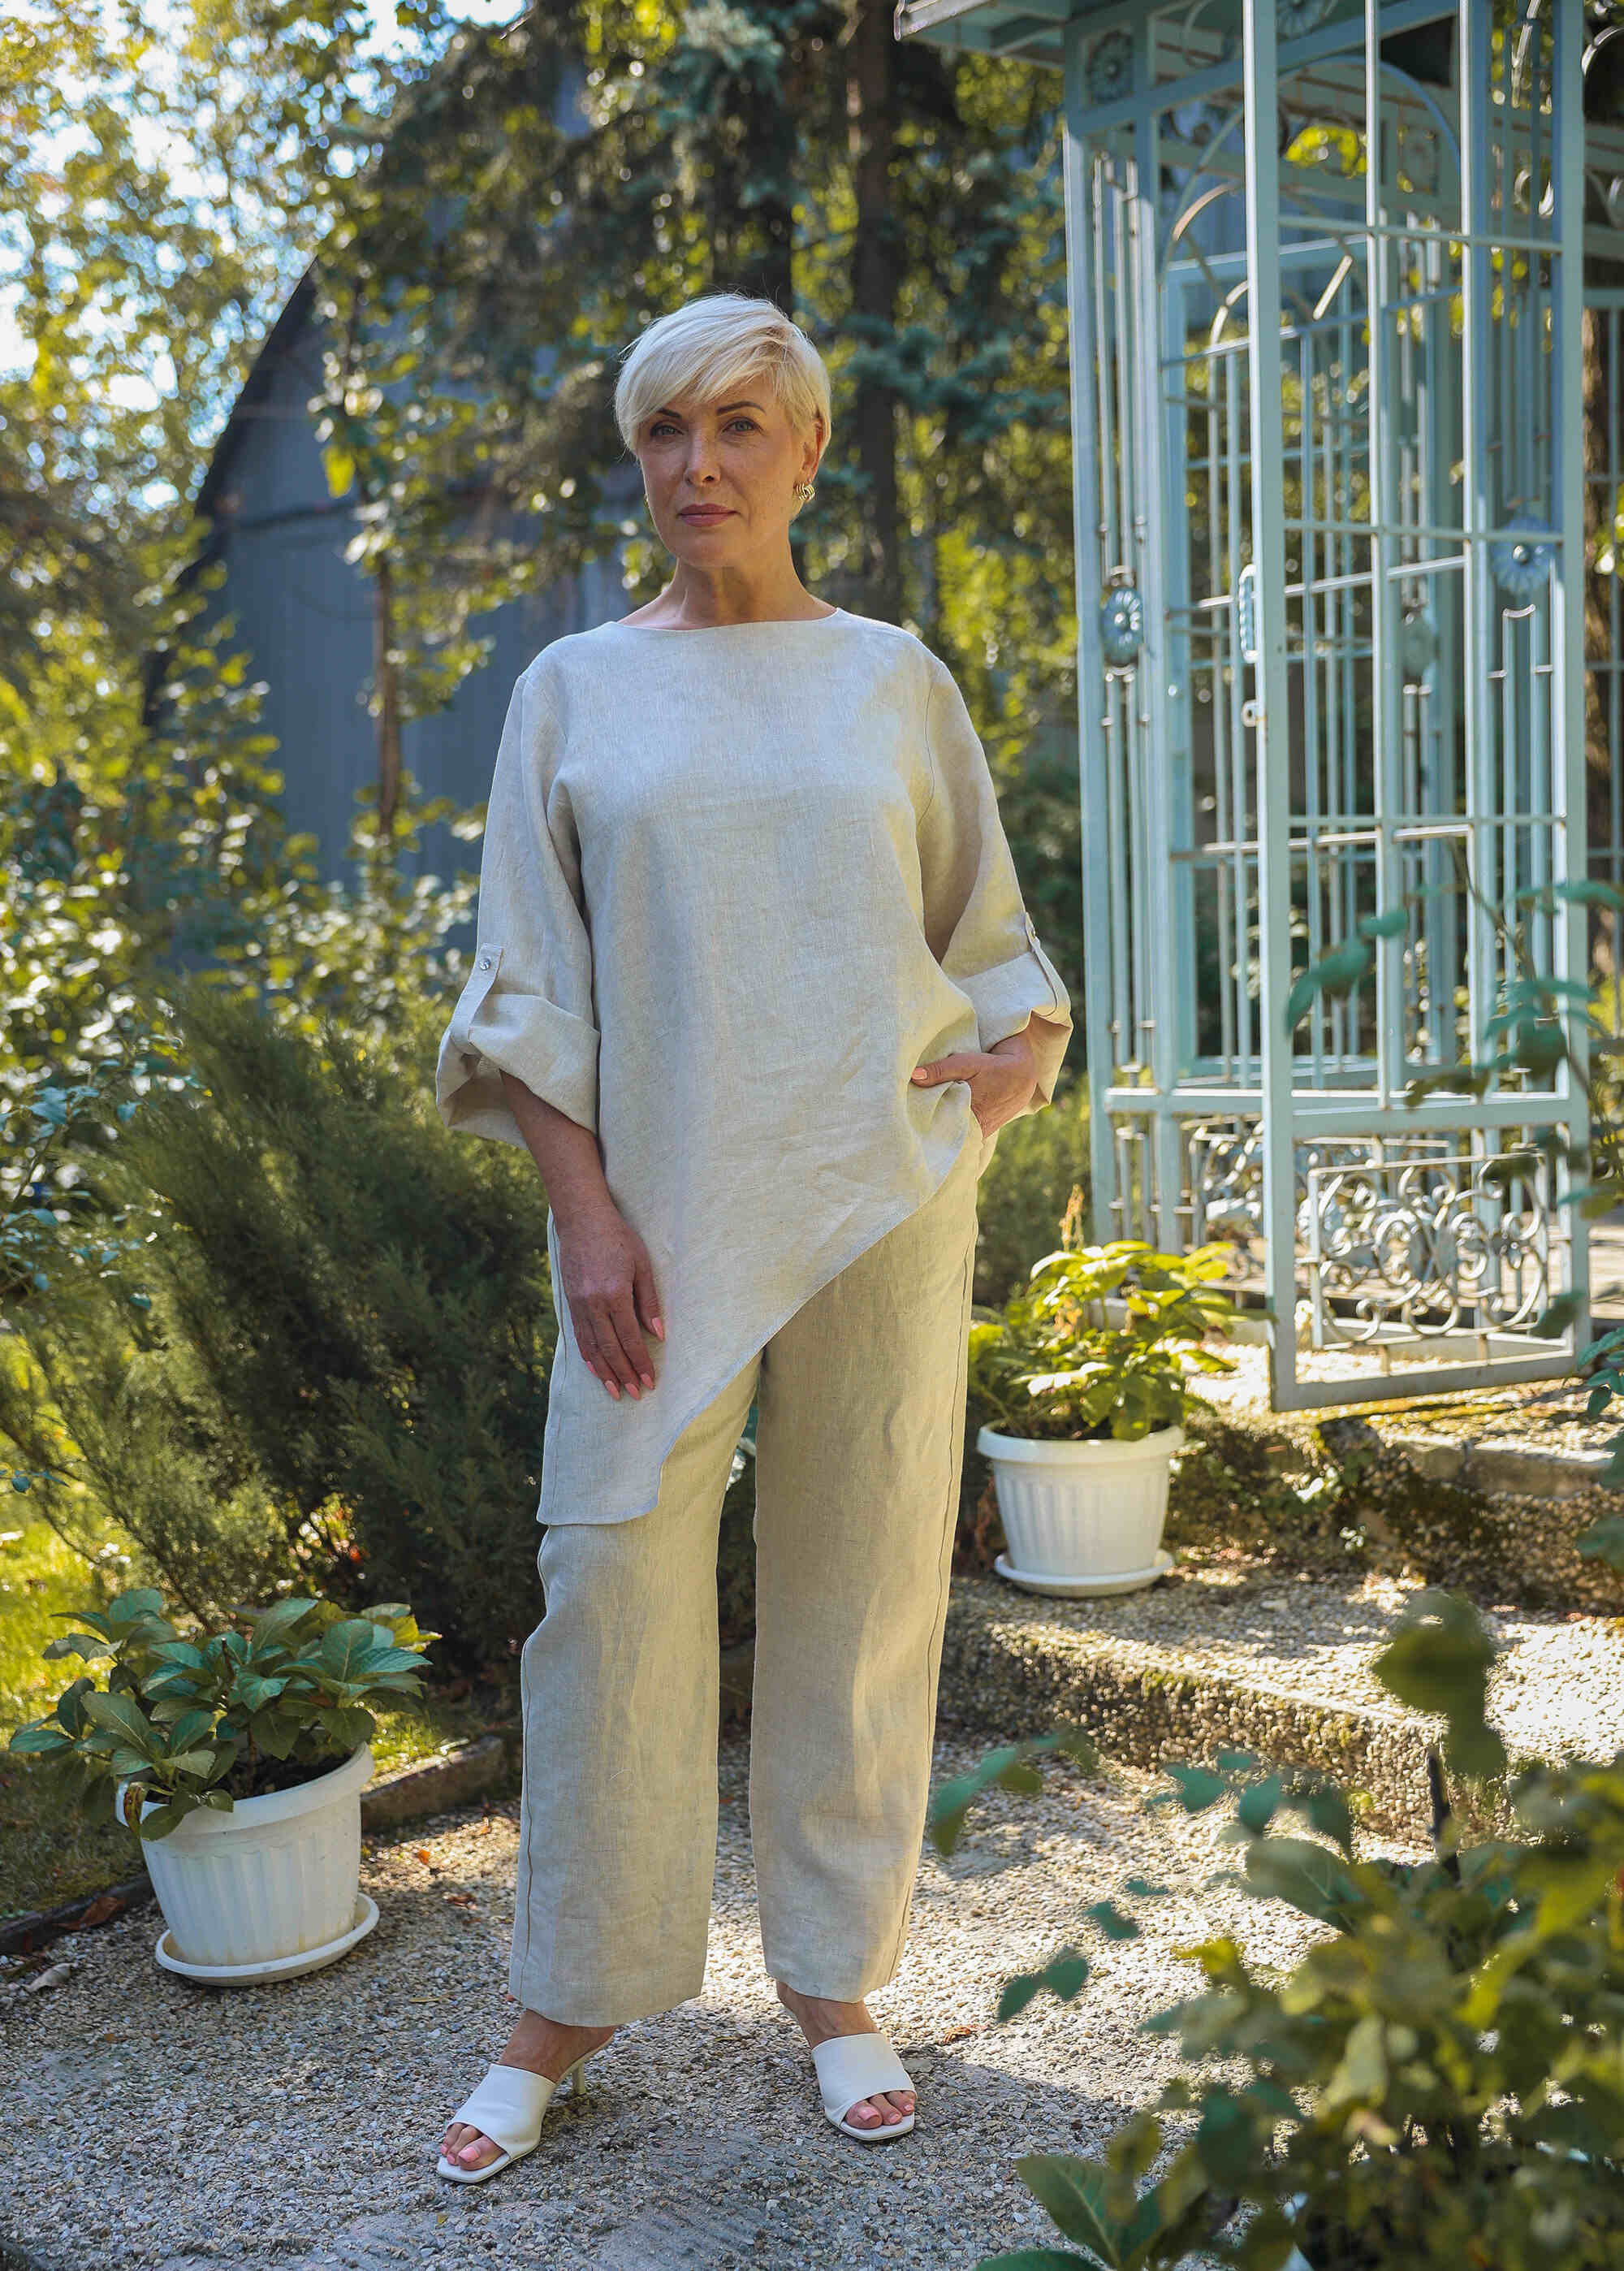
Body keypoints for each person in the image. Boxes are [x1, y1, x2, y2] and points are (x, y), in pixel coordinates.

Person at [432, 289, 1073, 2182]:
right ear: (634, 459)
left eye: (735, 427)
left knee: (863, 1576)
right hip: (657, 1218)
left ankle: (831, 1981)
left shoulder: (892, 676)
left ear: (803, 453)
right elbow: (522, 985)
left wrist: (1018, 1056)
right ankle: (566, 1995)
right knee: (608, 1577)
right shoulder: (572, 691)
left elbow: (988, 932)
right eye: (661, 432)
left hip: (878, 1181)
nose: (695, 465)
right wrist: (584, 1213)